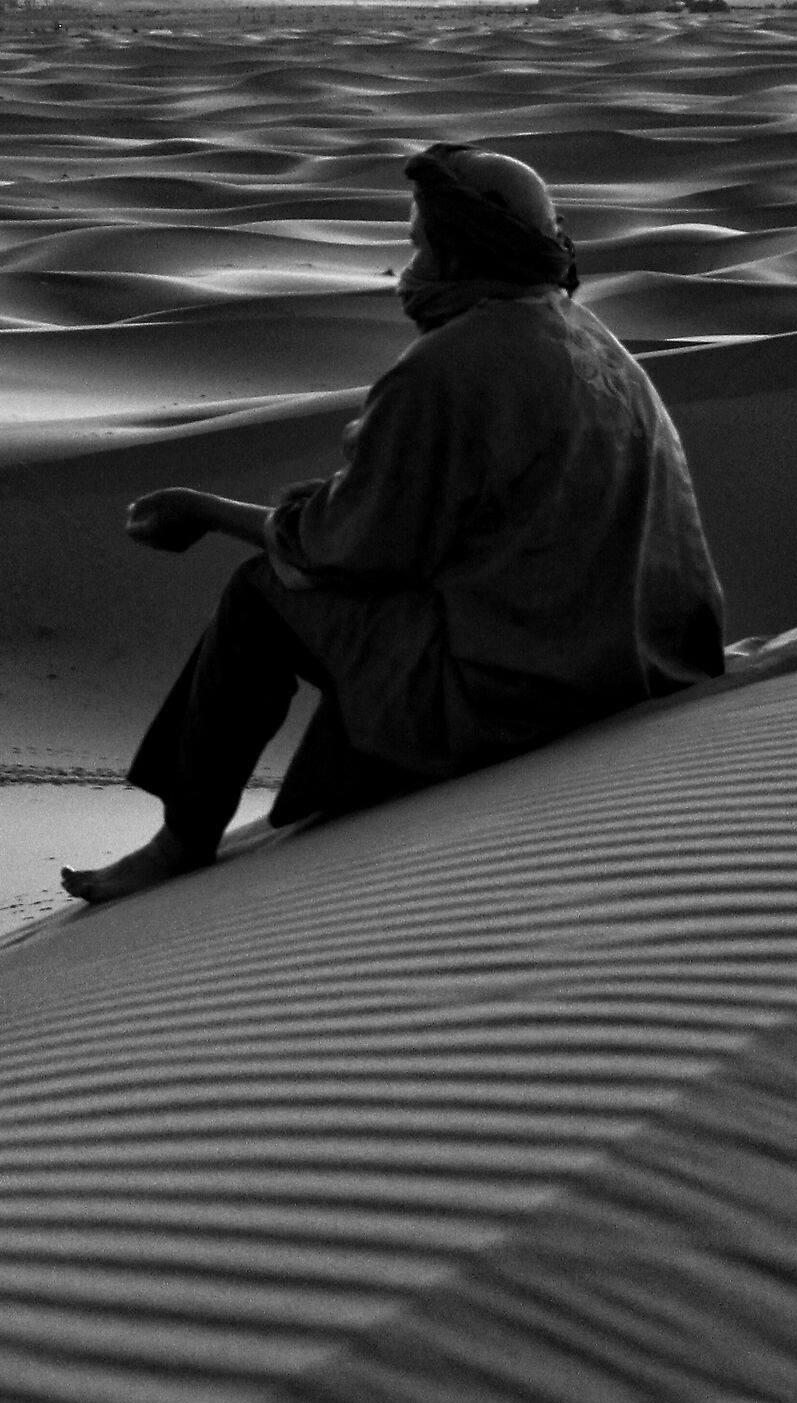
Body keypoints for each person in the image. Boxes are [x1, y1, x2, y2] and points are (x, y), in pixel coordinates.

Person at [62, 143, 726, 905]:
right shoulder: (595, 341)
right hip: (634, 665)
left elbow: (342, 549)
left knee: (258, 593)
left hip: (526, 695)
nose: (405, 270)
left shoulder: (447, 368)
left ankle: (181, 842)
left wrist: (204, 511)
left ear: (456, 249)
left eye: (416, 246)